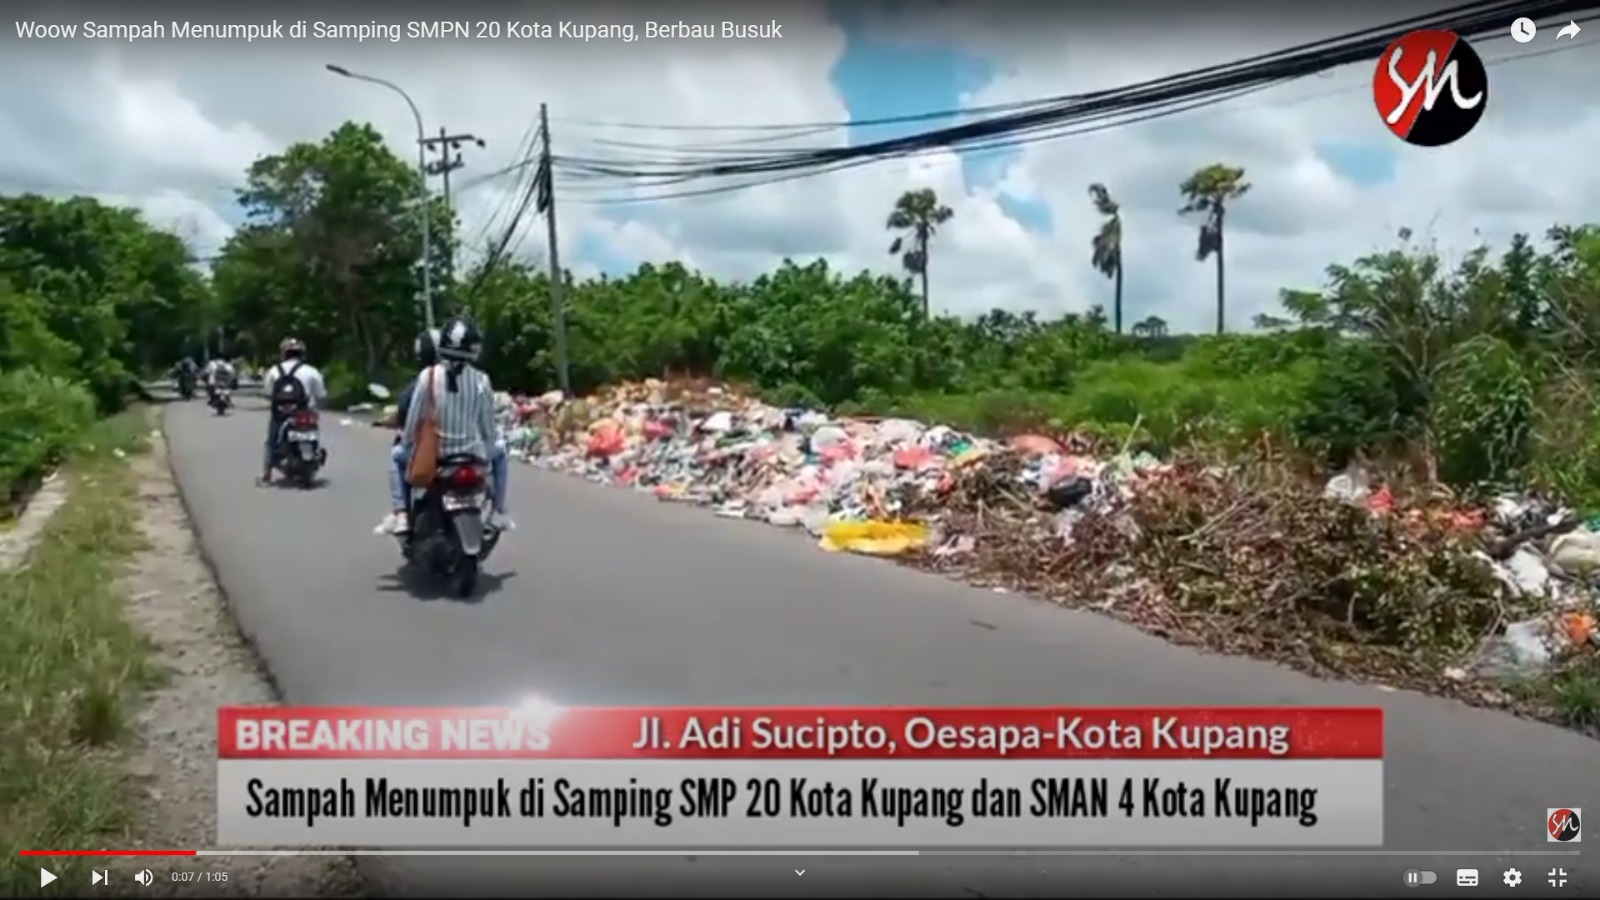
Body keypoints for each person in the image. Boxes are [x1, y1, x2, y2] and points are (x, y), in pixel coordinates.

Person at [379, 317, 514, 535]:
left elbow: (413, 423)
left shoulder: (428, 376)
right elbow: (488, 429)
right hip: (473, 455)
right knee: (500, 453)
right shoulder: (482, 380)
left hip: (436, 457)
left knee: (397, 455)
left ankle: (402, 514)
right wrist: (482, 442)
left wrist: (407, 442)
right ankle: (499, 511)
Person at [258, 337, 327, 485]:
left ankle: (266, 476)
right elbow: (321, 394)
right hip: (305, 412)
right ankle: (315, 453)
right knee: (314, 429)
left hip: (281, 414)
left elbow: (267, 392)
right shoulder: (312, 371)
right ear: (302, 354)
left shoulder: (274, 371)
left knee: (271, 442)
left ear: (283, 353)